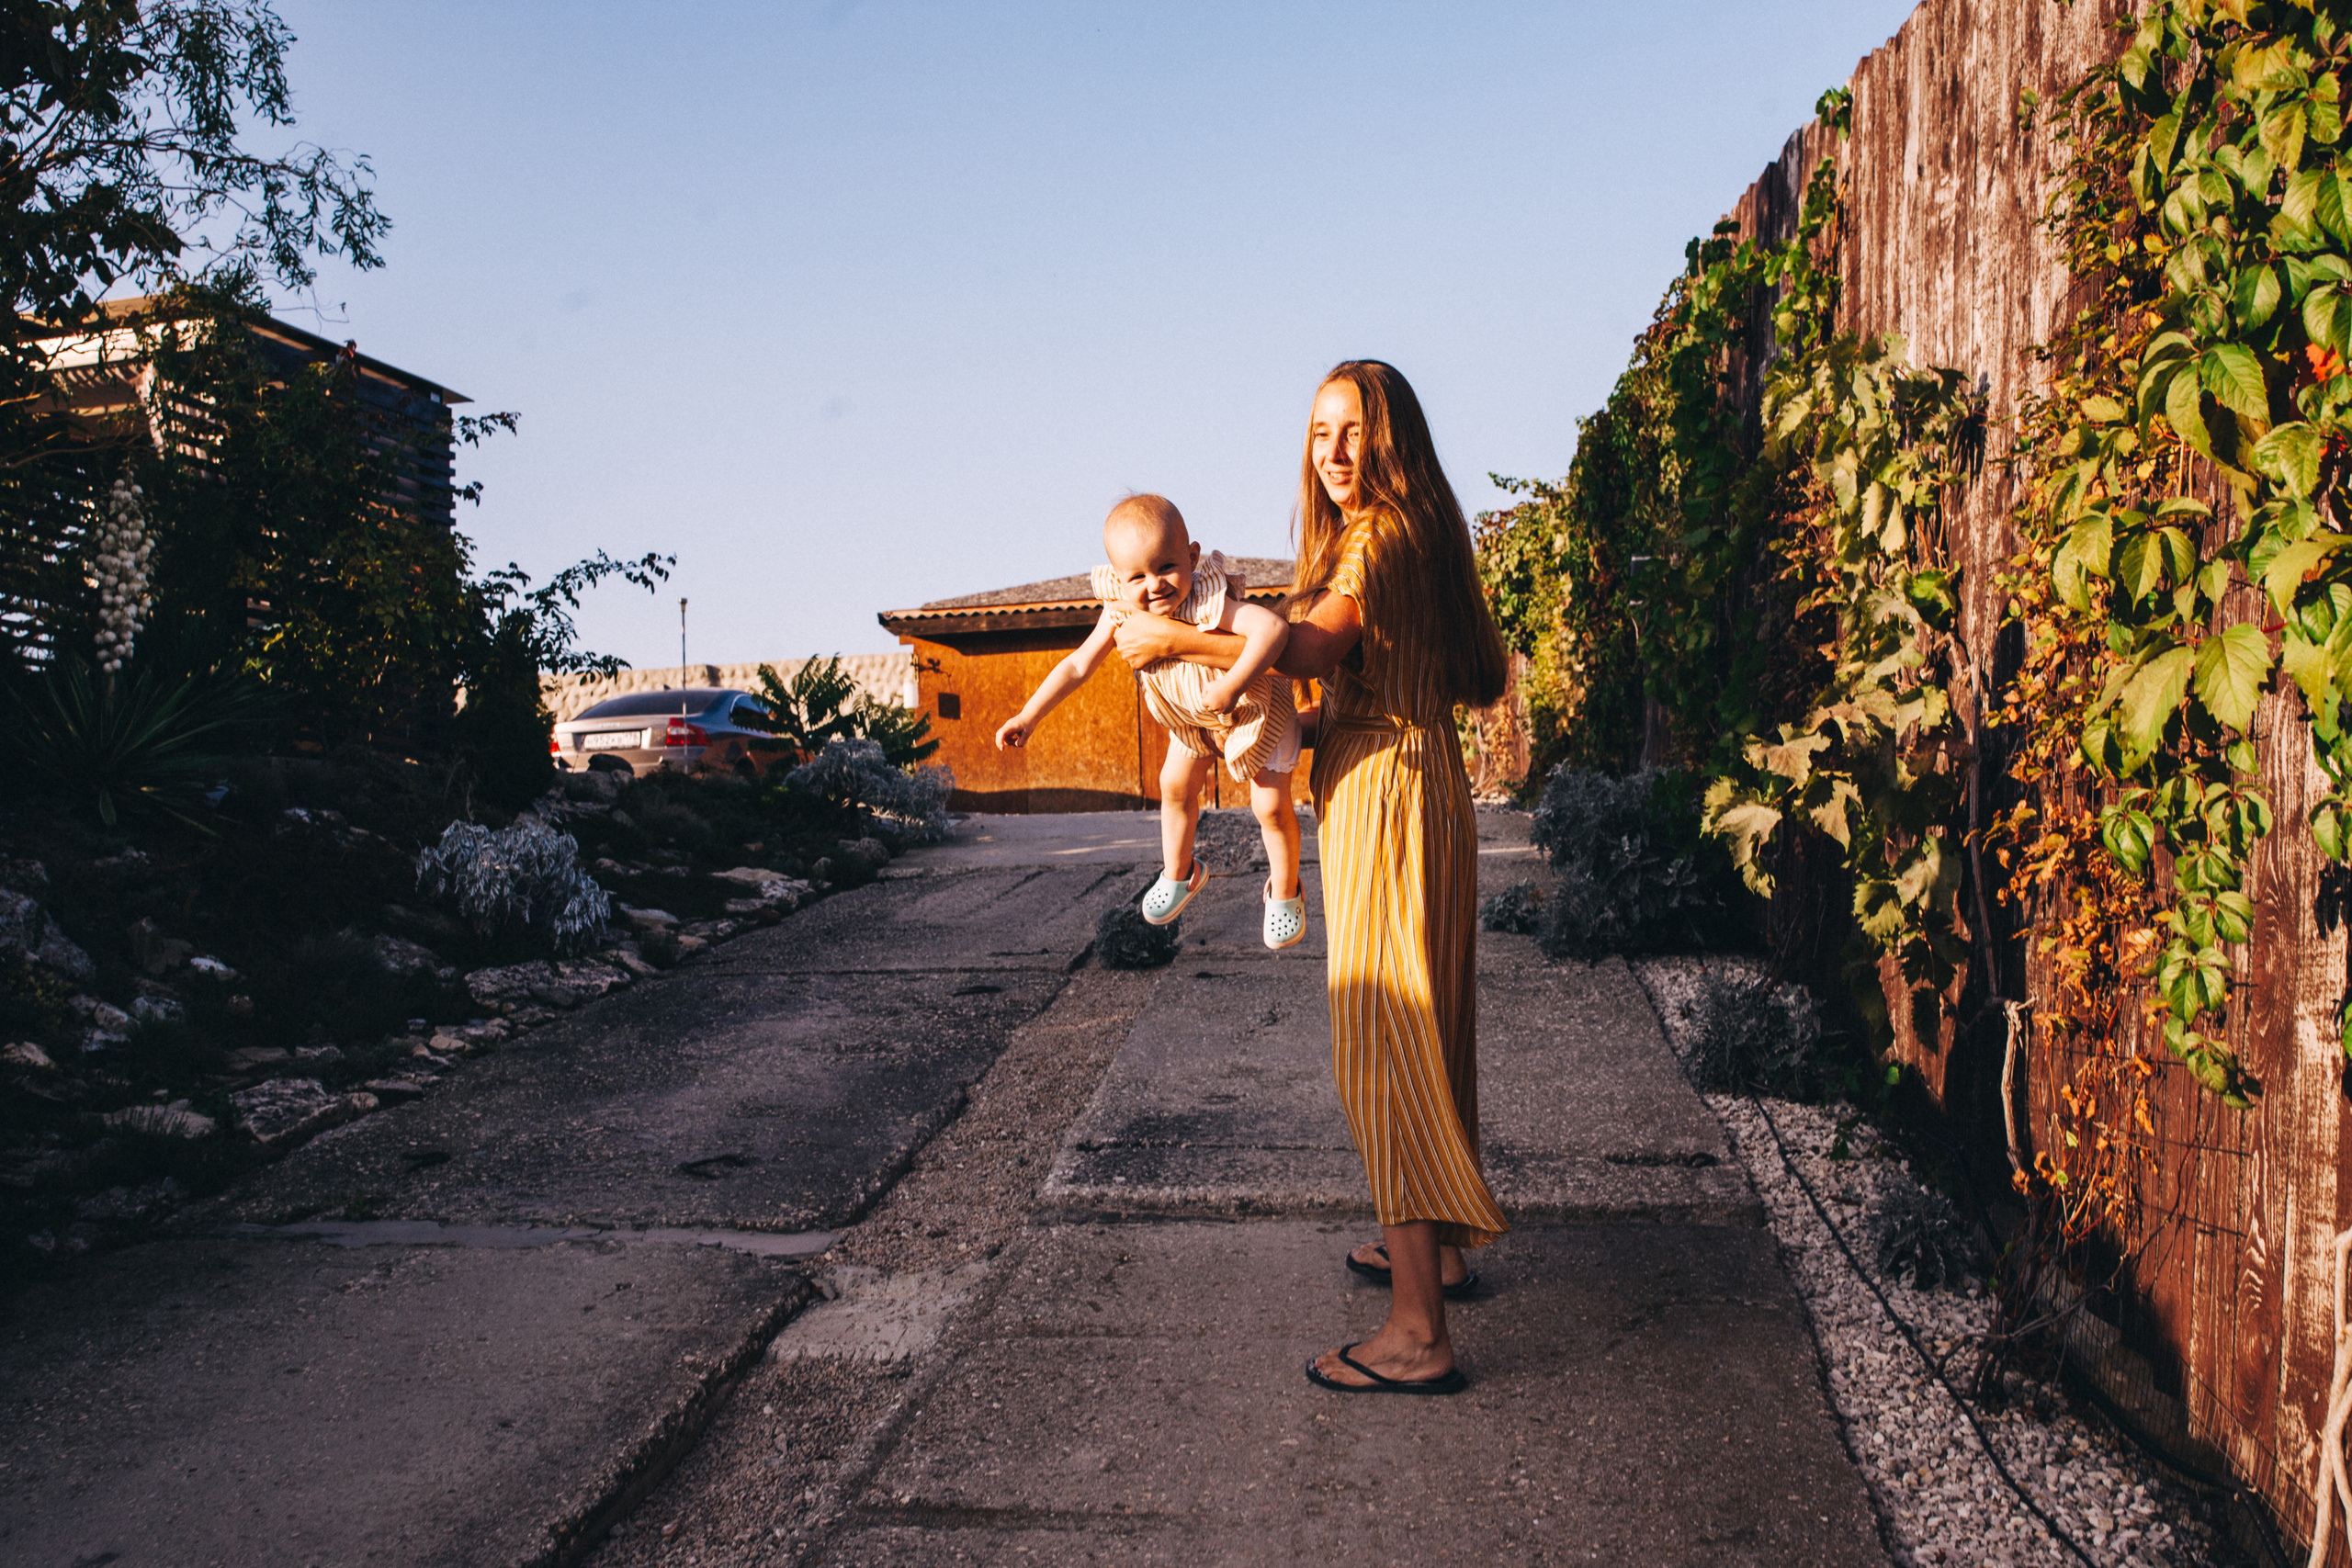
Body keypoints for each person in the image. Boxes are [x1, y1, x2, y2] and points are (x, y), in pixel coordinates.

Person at [1111, 361, 1508, 1394]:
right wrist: (1324, 726)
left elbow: (1311, 645)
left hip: (1387, 801)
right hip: (1428, 782)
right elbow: (1474, 675)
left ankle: (1417, 1332)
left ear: (1393, 440)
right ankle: (1441, 1248)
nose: (1332, 453)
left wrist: (1175, 637)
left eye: (1354, 431)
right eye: (1320, 431)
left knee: (1382, 1043)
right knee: (1430, 1023)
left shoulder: (1375, 539)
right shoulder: (1425, 534)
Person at [995, 492, 1308, 949]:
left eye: (1166, 567)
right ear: (1119, 582)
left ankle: (1285, 889)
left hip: (1254, 710)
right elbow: (1077, 666)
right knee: (1174, 786)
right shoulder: (1123, 613)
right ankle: (1180, 872)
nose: (1155, 584)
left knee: (1270, 807)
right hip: (1192, 721)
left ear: (1192, 557)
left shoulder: (1208, 599)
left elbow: (1274, 631)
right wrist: (1029, 714)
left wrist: (1232, 684)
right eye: (1137, 576)